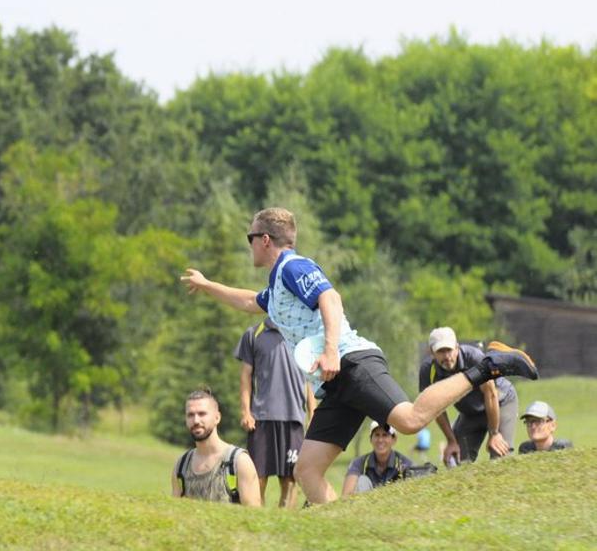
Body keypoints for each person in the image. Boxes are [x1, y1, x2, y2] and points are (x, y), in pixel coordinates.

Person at [181, 207, 539, 505]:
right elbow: (247, 301)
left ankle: (490, 366)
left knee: (411, 421)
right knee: (306, 470)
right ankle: (344, 533)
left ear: (265, 240)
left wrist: (333, 350)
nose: (248, 246)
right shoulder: (276, 287)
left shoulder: (293, 266)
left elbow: (330, 298)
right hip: (333, 385)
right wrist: (208, 285)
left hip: (352, 362)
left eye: (249, 238)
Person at [234, 317, 316, 507]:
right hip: (261, 418)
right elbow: (245, 375)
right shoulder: (253, 334)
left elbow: (310, 377)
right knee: (258, 479)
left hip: (294, 418)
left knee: (289, 481)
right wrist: (245, 411)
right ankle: (257, 526)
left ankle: (284, 530)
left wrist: (313, 411)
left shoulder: (303, 334)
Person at [420, 326, 519, 464]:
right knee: (456, 461)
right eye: (441, 351)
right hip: (471, 412)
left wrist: (494, 433)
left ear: (457, 347)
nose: (447, 356)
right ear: (432, 352)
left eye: (449, 350)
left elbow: (490, 395)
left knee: (499, 456)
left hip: (500, 402)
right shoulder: (428, 371)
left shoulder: (474, 358)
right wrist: (451, 441)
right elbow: (436, 410)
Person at [171, 387, 262, 506]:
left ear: (217, 418)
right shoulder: (181, 466)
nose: (196, 420)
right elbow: (174, 512)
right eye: (190, 415)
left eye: (202, 414)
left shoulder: (239, 462)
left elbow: (253, 517)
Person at [341, 422, 414, 496]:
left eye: (385, 435)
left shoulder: (405, 463)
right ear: (371, 439)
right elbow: (346, 496)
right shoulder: (359, 463)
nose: (380, 440)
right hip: (366, 505)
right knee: (362, 480)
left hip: (395, 504)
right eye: (377, 435)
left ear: (394, 439)